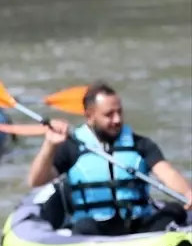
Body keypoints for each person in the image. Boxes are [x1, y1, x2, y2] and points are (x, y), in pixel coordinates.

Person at [26, 82, 192, 235]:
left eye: (119, 112)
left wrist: (187, 192)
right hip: (95, 229)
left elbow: (167, 173)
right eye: (109, 114)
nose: (117, 120)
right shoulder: (72, 147)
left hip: (137, 225)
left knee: (174, 210)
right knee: (84, 227)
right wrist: (49, 145)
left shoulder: (140, 144)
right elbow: (36, 181)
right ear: (89, 115)